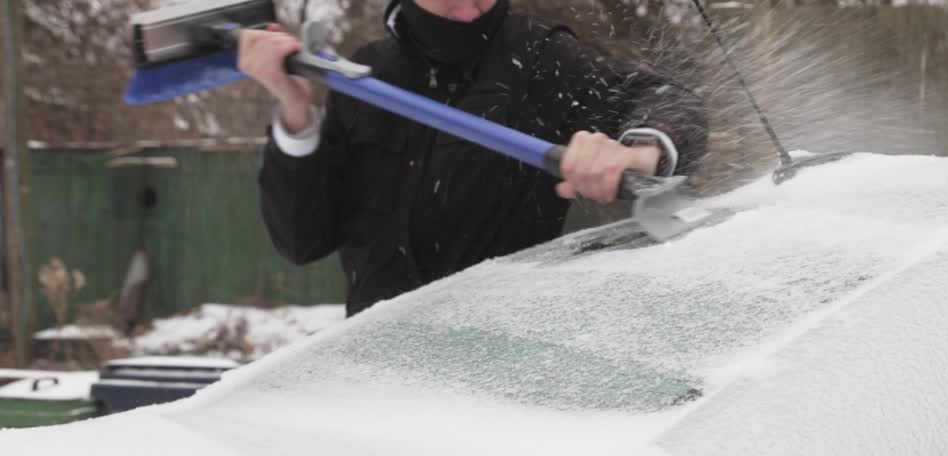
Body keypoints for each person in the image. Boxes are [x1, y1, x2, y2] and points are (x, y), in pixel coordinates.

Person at [238, 0, 708, 316]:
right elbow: (303, 240)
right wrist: (294, 109)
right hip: (373, 369)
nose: (468, 11)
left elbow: (668, 102)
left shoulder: (543, 60)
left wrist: (640, 151)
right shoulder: (368, 77)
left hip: (500, 366)